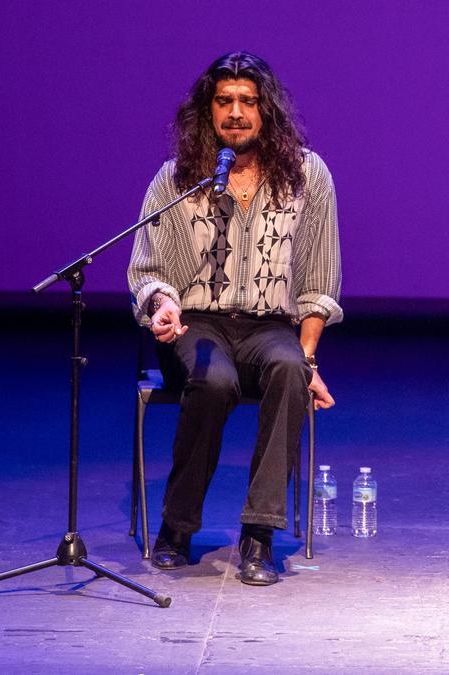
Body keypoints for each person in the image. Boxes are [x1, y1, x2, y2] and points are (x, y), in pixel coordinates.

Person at [127, 52, 341, 586]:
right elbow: (148, 272)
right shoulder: (176, 179)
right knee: (213, 377)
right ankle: (177, 529)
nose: (237, 112)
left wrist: (307, 355)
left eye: (249, 101)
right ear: (208, 109)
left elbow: (318, 283)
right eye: (225, 101)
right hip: (195, 324)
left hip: (268, 326)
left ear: (268, 110)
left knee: (290, 370)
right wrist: (164, 305)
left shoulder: (306, 176)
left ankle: (258, 535)